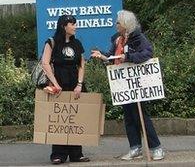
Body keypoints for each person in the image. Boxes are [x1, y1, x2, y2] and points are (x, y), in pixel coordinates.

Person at [90, 10, 165, 161]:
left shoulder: (138, 38)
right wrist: (103, 56)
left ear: (125, 24)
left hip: (136, 83)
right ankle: (135, 148)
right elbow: (113, 58)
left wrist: (129, 57)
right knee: (129, 117)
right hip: (123, 85)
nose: (115, 24)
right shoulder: (118, 39)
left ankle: (156, 148)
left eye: (118, 22)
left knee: (141, 116)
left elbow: (147, 53)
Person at [41, 14, 90, 164]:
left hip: (74, 84)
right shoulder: (52, 42)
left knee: (75, 119)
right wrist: (55, 84)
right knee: (59, 119)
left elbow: (82, 65)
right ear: (64, 26)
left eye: (75, 24)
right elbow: (45, 63)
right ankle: (58, 154)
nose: (75, 27)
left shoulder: (77, 44)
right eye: (72, 24)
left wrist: (79, 84)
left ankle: (77, 153)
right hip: (59, 83)